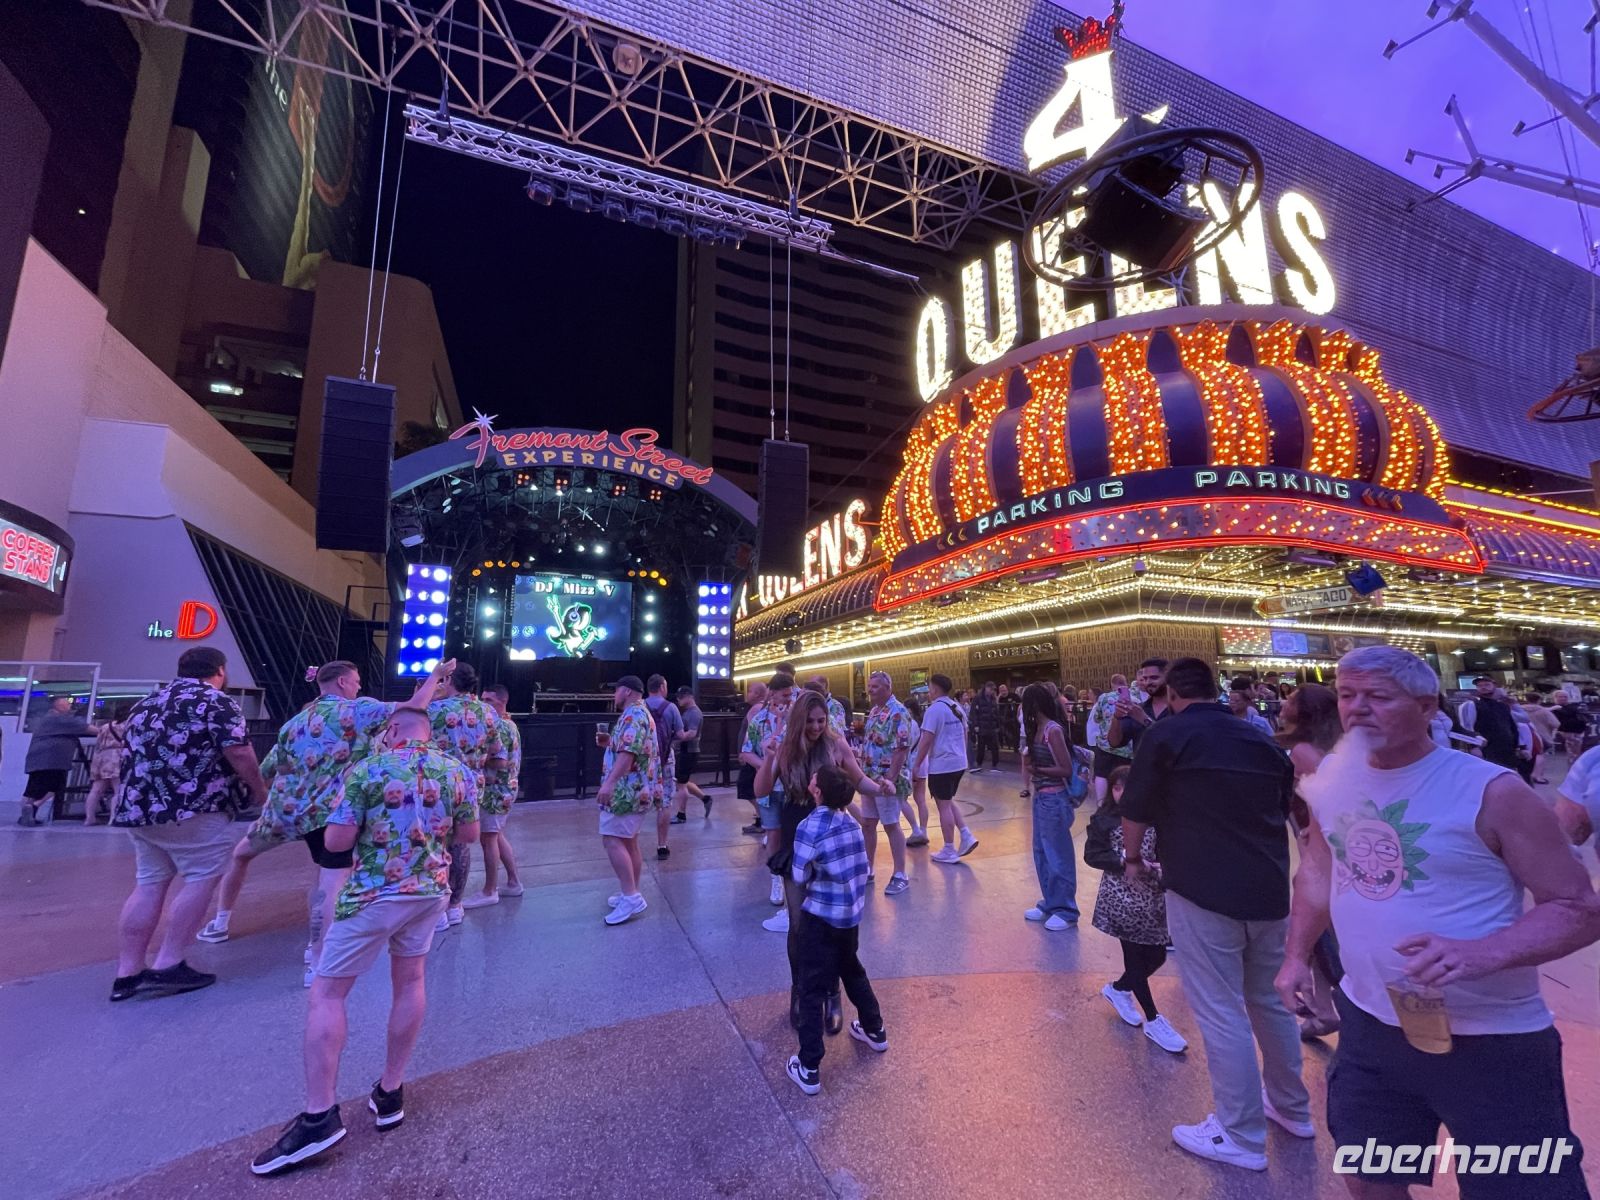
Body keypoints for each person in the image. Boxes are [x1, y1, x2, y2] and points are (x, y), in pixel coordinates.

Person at [1279, 646, 1600, 1200]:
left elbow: (1577, 908)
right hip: (1370, 1024)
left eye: (1379, 697)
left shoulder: (1492, 790)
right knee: (1371, 1176)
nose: (1358, 708)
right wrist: (1294, 956)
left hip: (1489, 1041)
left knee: (1519, 1189)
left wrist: (1481, 953)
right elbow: (1318, 868)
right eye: (1347, 695)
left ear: (1427, 707)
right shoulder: (1334, 775)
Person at [250, 700, 479, 1175]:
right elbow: (469, 834)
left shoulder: (368, 769)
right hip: (429, 893)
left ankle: (319, 1117)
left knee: (328, 993)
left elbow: (335, 842)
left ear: (392, 730)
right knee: (410, 981)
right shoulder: (456, 771)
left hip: (373, 895)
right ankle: (390, 1092)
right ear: (427, 732)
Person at [1119, 656, 1310, 1172]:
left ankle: (1240, 1133)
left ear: (1173, 694)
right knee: (1270, 1003)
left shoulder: (1167, 734)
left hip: (1201, 888)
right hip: (1268, 890)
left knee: (1221, 1009)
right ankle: (1292, 1108)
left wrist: (1133, 860)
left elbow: (1135, 808)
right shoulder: (1260, 739)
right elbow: (1286, 808)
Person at [199, 661, 413, 985]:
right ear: (342, 682)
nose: (358, 685)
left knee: (241, 855)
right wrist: (435, 680)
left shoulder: (292, 728)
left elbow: (265, 771)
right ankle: (317, 954)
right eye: (355, 680)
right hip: (325, 814)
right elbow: (409, 709)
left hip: (284, 812)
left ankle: (220, 922)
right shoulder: (354, 717)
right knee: (329, 879)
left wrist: (263, 796)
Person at [110, 647, 268, 1001]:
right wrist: (260, 792)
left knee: (148, 885)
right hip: (194, 808)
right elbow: (239, 751)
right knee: (200, 879)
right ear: (220, 671)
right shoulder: (216, 701)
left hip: (141, 810)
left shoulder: (145, 703)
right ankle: (168, 963)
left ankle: (127, 973)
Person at [755, 690, 886, 1043]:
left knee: (831, 922)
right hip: (796, 837)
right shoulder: (784, 749)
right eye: (810, 721)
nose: (816, 727)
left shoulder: (836, 744)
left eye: (821, 721)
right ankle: (800, 990)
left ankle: (831, 992)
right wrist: (769, 760)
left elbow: (858, 779)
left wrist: (882, 788)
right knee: (799, 924)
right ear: (799, 720)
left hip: (831, 838)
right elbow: (761, 789)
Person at [786, 763, 889, 1095]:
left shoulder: (809, 826)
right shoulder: (852, 823)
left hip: (820, 919)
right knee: (852, 969)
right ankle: (874, 1029)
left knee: (811, 988)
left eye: (815, 777)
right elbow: (861, 868)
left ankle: (809, 1066)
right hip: (850, 916)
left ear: (816, 790)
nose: (811, 778)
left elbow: (799, 875)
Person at [1085, 764, 1187, 1052]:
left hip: (1151, 897)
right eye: (1116, 788)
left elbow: (1164, 851)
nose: (1121, 794)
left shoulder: (1155, 818)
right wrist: (1123, 860)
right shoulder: (1105, 820)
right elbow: (1093, 855)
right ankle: (1153, 1019)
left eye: (1127, 788)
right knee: (1135, 957)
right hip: (1121, 896)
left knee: (1156, 955)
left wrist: (1161, 868)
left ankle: (1119, 989)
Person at [1274, 683, 1344, 1040]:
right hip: (1317, 837)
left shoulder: (1301, 750)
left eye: (1290, 700)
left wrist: (1311, 829)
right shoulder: (1336, 743)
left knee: (1320, 925)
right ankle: (1322, 1007)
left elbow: (1323, 794)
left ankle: (1335, 1004)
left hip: (1312, 838)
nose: (1283, 703)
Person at [428, 662, 507, 929]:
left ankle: (437, 908)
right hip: (472, 786)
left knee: (435, 844)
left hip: (437, 786)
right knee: (460, 845)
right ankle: (455, 906)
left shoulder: (434, 710)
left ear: (449, 680)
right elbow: (497, 752)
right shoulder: (487, 712)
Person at [594, 675, 661, 926]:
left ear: (627, 691)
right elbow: (629, 749)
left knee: (611, 839)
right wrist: (610, 744)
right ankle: (630, 891)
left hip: (625, 791)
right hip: (638, 788)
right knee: (629, 841)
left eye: (616, 690)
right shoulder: (639, 714)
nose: (614, 695)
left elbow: (628, 754)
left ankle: (631, 896)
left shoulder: (634, 716)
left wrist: (609, 784)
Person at [1020, 682, 1086, 928]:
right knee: (1041, 852)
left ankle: (1066, 910)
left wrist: (1037, 769)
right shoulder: (1039, 728)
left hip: (1055, 798)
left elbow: (1066, 769)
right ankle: (1051, 902)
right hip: (1042, 798)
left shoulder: (1052, 730)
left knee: (1058, 855)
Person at [463, 683, 524, 908]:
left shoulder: (499, 725)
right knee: (495, 835)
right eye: (483, 699)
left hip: (496, 790)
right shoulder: (508, 723)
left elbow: (500, 762)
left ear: (502, 702)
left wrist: (473, 758)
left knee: (488, 838)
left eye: (489, 700)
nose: (484, 704)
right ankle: (514, 882)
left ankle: (489, 891)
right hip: (503, 789)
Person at [742, 673, 795, 928]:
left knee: (793, 832)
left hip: (794, 785)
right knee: (773, 832)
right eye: (785, 694)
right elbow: (746, 751)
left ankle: (795, 878)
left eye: (791, 694)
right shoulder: (759, 720)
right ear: (772, 694)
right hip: (769, 787)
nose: (789, 698)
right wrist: (765, 765)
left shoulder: (797, 718)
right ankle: (776, 878)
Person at [857, 671, 914, 895]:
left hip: (886, 780)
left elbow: (902, 747)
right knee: (868, 824)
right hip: (869, 777)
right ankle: (868, 868)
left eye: (875, 686)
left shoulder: (898, 712)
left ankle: (900, 874)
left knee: (891, 824)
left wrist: (890, 777)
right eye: (869, 686)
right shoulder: (874, 711)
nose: (870, 690)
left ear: (888, 687)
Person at [912, 673, 977, 864]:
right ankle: (965, 834)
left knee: (944, 806)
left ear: (934, 689)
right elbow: (965, 733)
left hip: (942, 764)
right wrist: (961, 754)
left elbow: (926, 740)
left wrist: (917, 764)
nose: (928, 692)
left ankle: (949, 848)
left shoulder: (934, 710)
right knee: (946, 801)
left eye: (929, 688)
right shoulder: (956, 707)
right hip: (958, 762)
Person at [17, 695, 98, 825]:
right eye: (67, 704)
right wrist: (110, 729)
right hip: (52, 761)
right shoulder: (60, 719)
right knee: (54, 787)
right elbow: (88, 729)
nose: (70, 706)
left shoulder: (47, 719)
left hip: (39, 760)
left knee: (34, 789)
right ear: (59, 706)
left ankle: (27, 815)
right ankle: (34, 807)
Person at [644, 674, 684, 859]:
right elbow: (681, 734)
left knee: (639, 799)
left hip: (644, 761)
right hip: (666, 759)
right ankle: (662, 845)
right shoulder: (671, 707)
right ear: (661, 687)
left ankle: (630, 844)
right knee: (665, 802)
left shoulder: (640, 707)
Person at [1086, 674, 1135, 802]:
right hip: (1127, 746)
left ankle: (1101, 803)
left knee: (1101, 774)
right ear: (1125, 683)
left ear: (1112, 684)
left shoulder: (1104, 697)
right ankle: (1124, 803)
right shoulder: (1134, 696)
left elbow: (1097, 718)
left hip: (1105, 744)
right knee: (1124, 776)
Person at [1106, 657, 1170, 755]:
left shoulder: (1180, 709)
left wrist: (1145, 720)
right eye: (1145, 678)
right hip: (1142, 764)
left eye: (1154, 678)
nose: (1148, 682)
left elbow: (1173, 742)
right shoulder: (1138, 708)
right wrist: (1116, 717)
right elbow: (1114, 743)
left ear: (1168, 678)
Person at [1458, 676, 1520, 772]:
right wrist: (1473, 747)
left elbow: (1512, 727)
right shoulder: (1471, 705)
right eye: (1480, 685)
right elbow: (1467, 728)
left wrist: (1518, 747)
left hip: (1507, 749)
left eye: (1487, 685)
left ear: (1494, 686)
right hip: (1486, 750)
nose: (1483, 687)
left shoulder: (1503, 706)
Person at [83, 704, 130, 826]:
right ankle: (113, 818)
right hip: (117, 756)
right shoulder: (127, 726)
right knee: (117, 789)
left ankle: (89, 818)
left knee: (96, 790)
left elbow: (98, 742)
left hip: (102, 757)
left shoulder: (105, 726)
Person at [671, 686, 710, 821]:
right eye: (678, 697)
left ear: (690, 696)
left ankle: (681, 814)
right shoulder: (689, 712)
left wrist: (676, 738)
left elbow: (692, 733)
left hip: (689, 751)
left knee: (681, 783)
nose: (679, 699)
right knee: (682, 780)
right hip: (686, 750)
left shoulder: (694, 713)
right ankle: (705, 799)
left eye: (681, 697)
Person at [736, 680, 767, 835]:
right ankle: (761, 819)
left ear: (758, 694)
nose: (746, 694)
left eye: (749, 691)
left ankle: (763, 820)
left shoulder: (756, 709)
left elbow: (751, 732)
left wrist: (744, 752)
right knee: (750, 788)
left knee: (747, 787)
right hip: (753, 755)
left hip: (752, 756)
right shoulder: (759, 708)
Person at [902, 692, 931, 846]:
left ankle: (915, 830)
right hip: (922, 763)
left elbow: (905, 746)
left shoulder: (908, 724)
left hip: (911, 764)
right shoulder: (921, 723)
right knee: (920, 799)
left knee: (900, 799)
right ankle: (923, 830)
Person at [1526, 692, 1559, 784]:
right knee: (1540, 755)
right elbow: (1555, 723)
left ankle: (1527, 774)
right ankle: (1538, 776)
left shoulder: (1520, 709)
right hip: (1542, 735)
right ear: (1539, 700)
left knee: (1527, 755)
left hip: (1525, 735)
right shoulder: (1544, 711)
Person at [969, 681, 1001, 772]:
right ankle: (979, 764)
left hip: (992, 726)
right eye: (991, 689)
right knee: (981, 747)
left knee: (995, 747)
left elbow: (996, 712)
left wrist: (998, 724)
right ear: (986, 688)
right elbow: (973, 712)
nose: (992, 691)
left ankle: (995, 765)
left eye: (993, 690)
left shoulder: (993, 698)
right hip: (982, 726)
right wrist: (975, 725)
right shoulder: (977, 698)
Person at [1555, 689, 1589, 759]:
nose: (1563, 698)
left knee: (1575, 752)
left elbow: (1583, 716)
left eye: (1565, 697)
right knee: (1573, 752)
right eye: (1560, 697)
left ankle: (1574, 765)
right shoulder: (1555, 708)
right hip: (1567, 731)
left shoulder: (1573, 706)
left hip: (1577, 731)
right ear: (1555, 698)